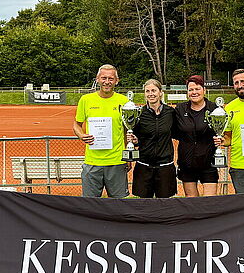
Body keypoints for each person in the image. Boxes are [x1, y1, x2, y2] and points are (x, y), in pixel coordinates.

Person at [72, 64, 130, 198]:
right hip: (92, 162)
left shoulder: (124, 101)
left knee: (119, 204)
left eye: (111, 78)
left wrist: (127, 156)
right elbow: (76, 124)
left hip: (117, 162)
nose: (107, 82)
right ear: (97, 79)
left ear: (116, 81)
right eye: (104, 78)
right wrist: (81, 135)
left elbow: (127, 131)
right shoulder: (86, 100)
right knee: (90, 204)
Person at [128, 79, 177, 198]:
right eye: (147, 91)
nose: (151, 94)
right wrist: (135, 141)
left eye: (154, 90)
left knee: (165, 205)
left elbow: (177, 133)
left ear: (160, 92)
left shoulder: (171, 112)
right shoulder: (139, 113)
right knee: (144, 205)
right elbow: (136, 137)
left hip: (165, 166)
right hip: (144, 166)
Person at [173, 75, 219, 197]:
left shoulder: (214, 108)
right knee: (192, 202)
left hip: (208, 163)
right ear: (187, 92)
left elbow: (222, 132)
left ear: (204, 90)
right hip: (187, 163)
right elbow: (173, 131)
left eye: (197, 89)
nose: (194, 92)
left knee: (209, 201)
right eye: (191, 89)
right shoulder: (180, 109)